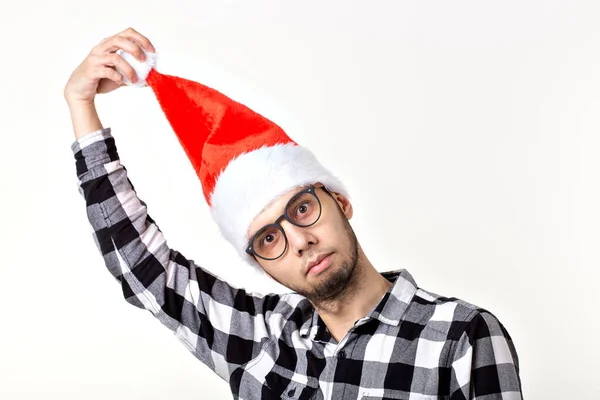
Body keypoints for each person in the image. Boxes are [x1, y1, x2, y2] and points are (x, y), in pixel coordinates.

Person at [65, 27, 523, 400]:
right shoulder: (262, 340)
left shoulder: (460, 337)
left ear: (340, 202)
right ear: (260, 263)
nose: (299, 240)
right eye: (268, 239)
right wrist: (81, 106)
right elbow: (146, 272)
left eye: (302, 209)